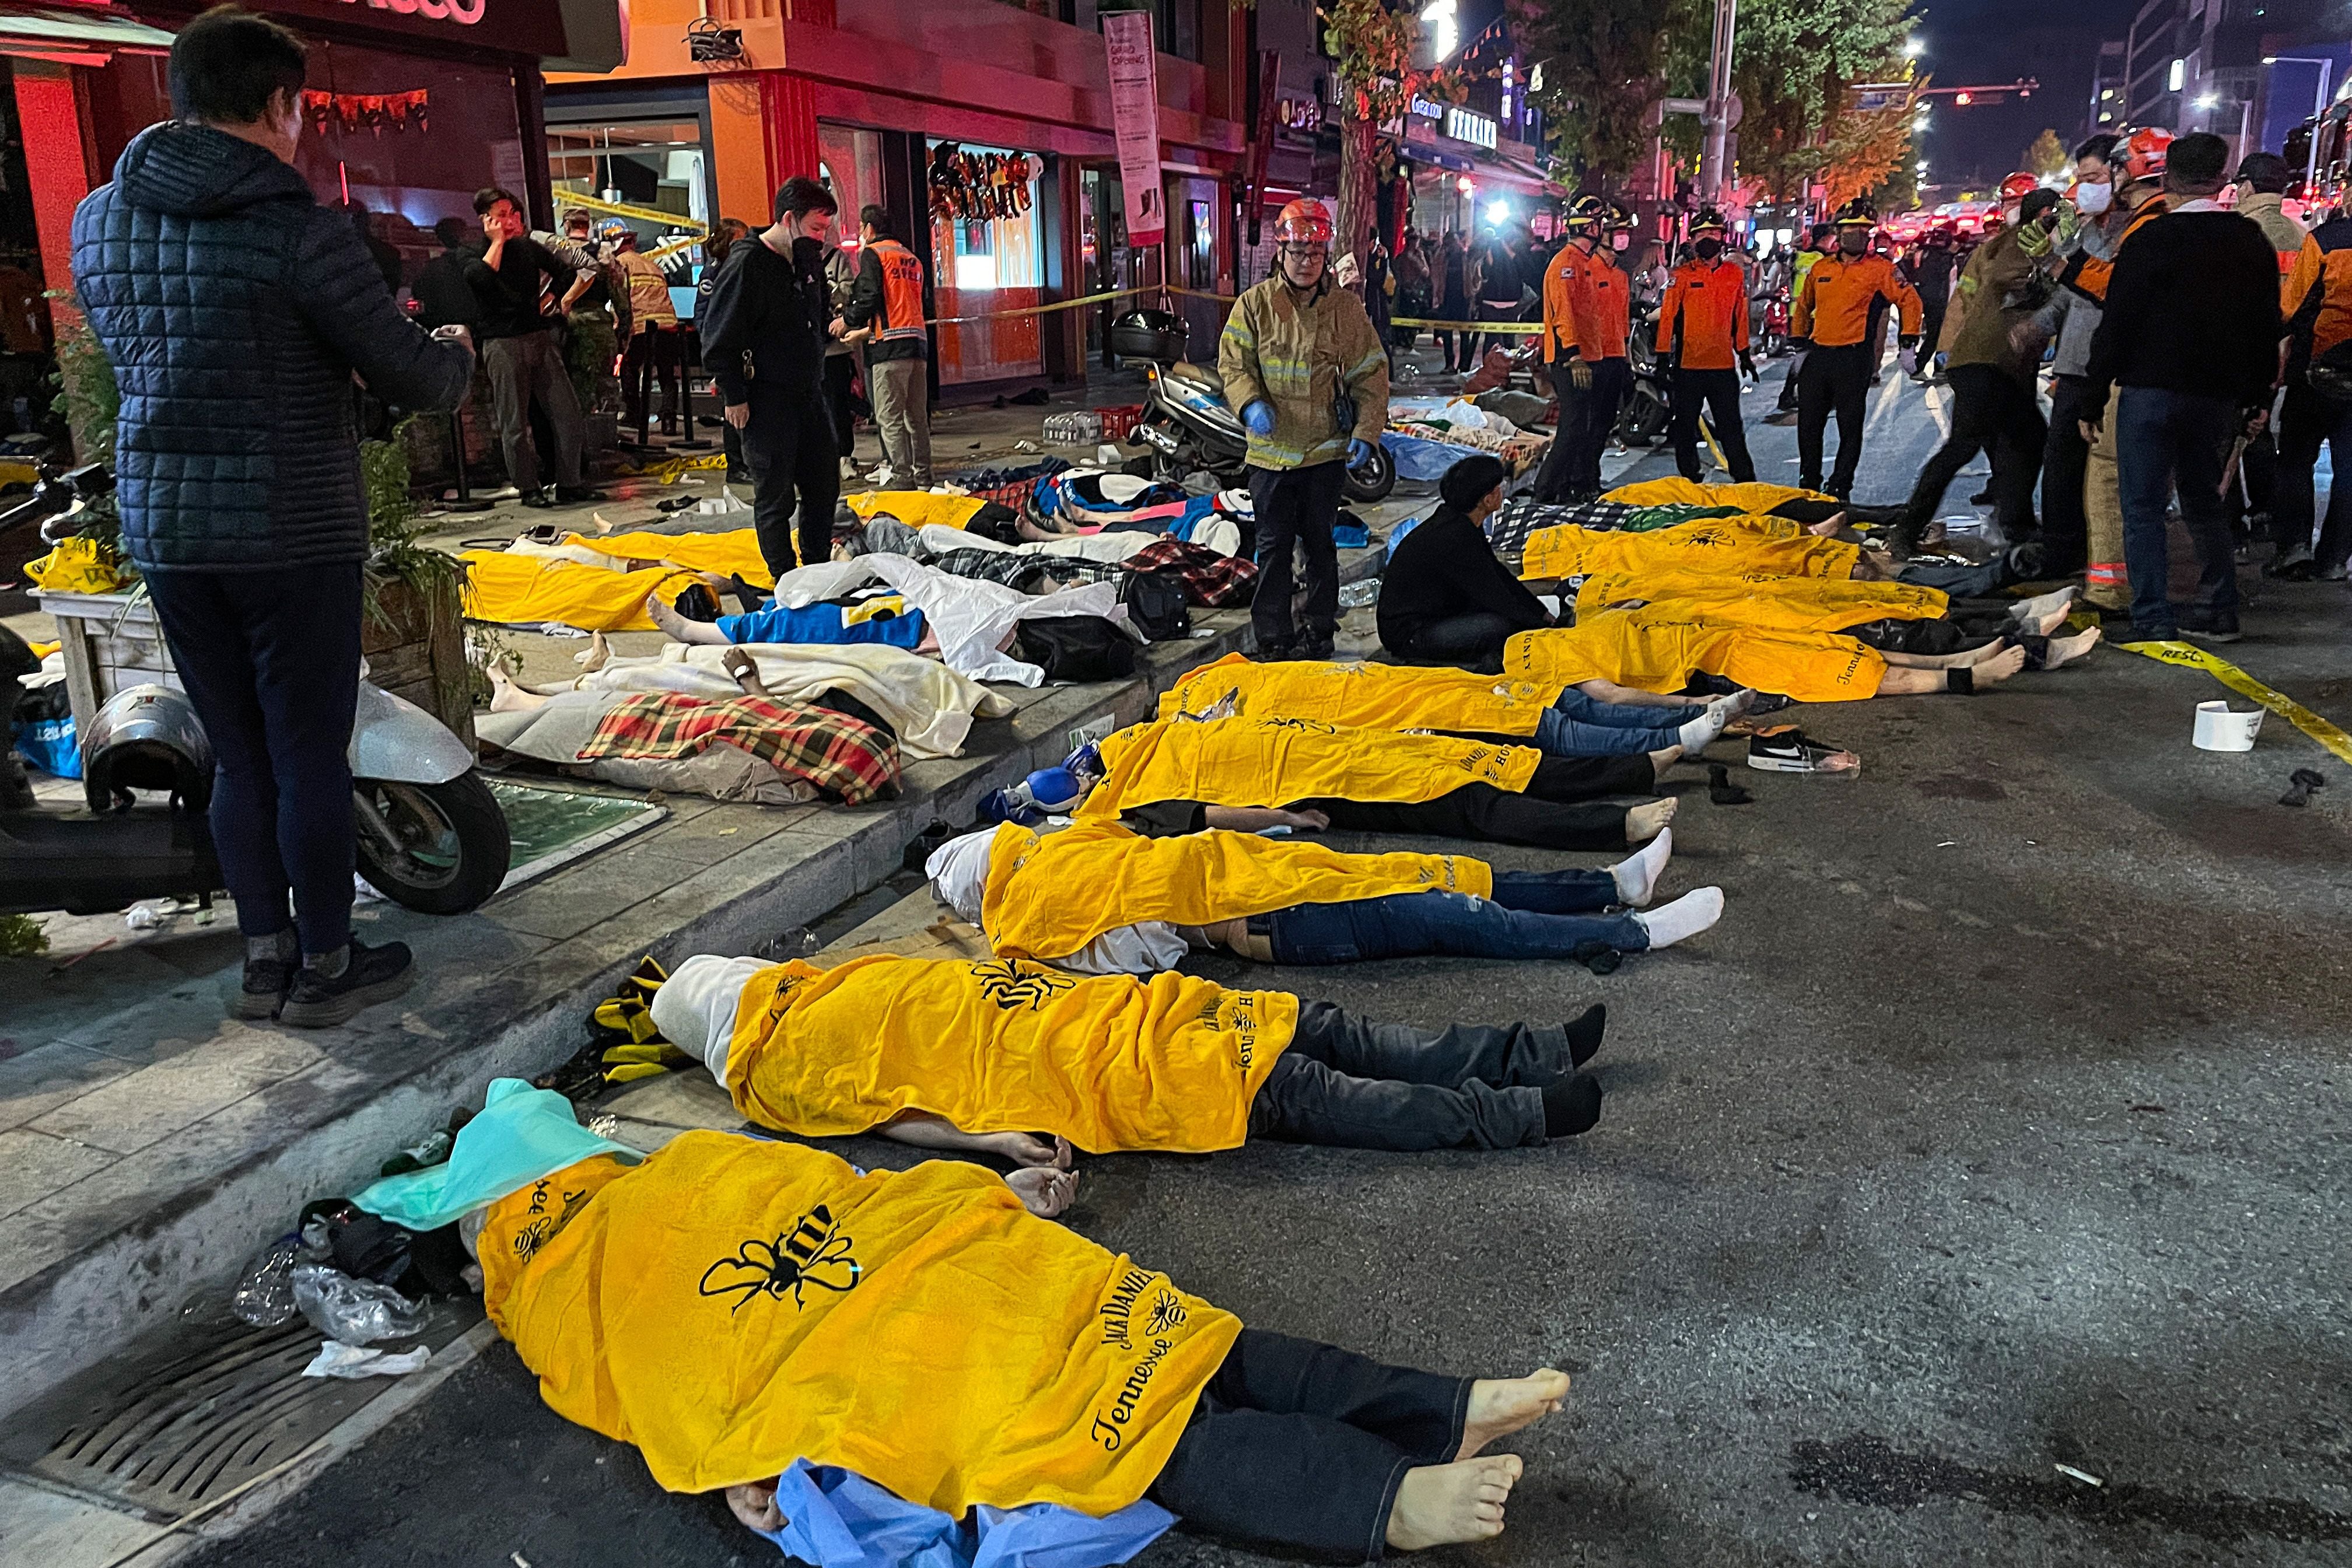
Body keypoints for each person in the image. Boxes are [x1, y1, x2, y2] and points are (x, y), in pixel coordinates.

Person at [405, 1094, 1566, 1558]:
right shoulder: (666, 1178)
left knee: (1131, 1394)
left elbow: (636, 1383)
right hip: (904, 1288)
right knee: (1163, 1355)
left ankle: (1412, 1457)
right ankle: (1413, 1452)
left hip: (885, 1314)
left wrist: (728, 1466)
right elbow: (825, 1187)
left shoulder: (547, 1301)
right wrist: (966, 1197)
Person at [69, 4, 473, 1024]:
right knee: (306, 752)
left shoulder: (96, 219)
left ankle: (265, 960)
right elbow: (418, 380)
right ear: (281, 104)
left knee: (238, 752)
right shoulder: (298, 230)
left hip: (170, 530)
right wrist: (457, 352)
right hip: (290, 528)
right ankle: (330, 965)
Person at [926, 812, 1722, 980]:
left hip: (1283, 882)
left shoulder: (1065, 849)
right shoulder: (1030, 921)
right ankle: (1626, 933)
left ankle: (1611, 885)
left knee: (1444, 874)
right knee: (1460, 915)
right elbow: (1143, 955)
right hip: (1276, 918)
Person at [2081, 131, 2281, 642]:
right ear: (2222, 179)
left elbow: (2118, 323)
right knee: (2202, 500)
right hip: (2214, 398)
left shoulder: (2149, 240)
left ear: (2167, 179)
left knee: (2142, 508)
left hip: (2148, 392)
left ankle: (2152, 617)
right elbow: (2264, 325)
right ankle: (2219, 609)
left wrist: (2092, 392)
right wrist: (2258, 398)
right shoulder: (2248, 241)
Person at [1076, 714, 1678, 852]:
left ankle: (1636, 770)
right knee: (1470, 804)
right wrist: (1289, 820)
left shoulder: (1155, 738)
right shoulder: (1133, 801)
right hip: (1340, 785)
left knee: (1482, 762)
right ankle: (1618, 825)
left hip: (1347, 748)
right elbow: (1210, 817)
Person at [1217, 197, 1390, 660]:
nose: (1307, 262)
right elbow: (1234, 366)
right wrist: (1249, 404)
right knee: (1273, 551)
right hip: (1271, 457)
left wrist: (1366, 433)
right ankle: (1273, 637)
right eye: (1298, 253)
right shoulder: (1254, 306)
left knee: (1321, 548)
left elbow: (1371, 374)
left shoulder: (1346, 311)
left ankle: (1319, 630)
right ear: (1281, 253)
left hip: (1323, 456)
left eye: (1315, 254)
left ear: (1326, 256)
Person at [1161, 649, 1745, 761]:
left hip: (1393, 688)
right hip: (1392, 710)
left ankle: (1686, 716)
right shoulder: (1199, 718)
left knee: (1547, 704)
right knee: (1541, 721)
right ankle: (1673, 736)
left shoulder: (1212, 685)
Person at [1895, 188, 2059, 554]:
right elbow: (2001, 280)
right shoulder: (2023, 244)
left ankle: (2015, 521)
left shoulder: (2003, 244)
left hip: (1993, 363)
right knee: (1965, 445)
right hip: (1987, 361)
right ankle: (1909, 528)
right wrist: (2047, 272)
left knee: (2026, 438)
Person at [702, 176, 844, 579]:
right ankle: (784, 575)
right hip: (765, 398)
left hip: (808, 392)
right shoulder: (748, 263)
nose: (820, 238)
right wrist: (734, 395)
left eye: (825, 230)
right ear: (788, 219)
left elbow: (815, 316)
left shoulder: (808, 261)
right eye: (815, 228)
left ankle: (816, 567)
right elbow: (719, 335)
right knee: (775, 493)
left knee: (823, 485)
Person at [2029, 134, 2126, 578]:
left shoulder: (2134, 231)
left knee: (2098, 475)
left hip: (2107, 368)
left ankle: (2094, 563)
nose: (2086, 187)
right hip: (2073, 364)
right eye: (2081, 178)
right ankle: (2062, 552)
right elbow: (2070, 294)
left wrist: (2054, 262)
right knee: (2062, 466)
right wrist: (2036, 325)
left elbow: (2107, 290)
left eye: (2094, 177)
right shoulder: (2089, 229)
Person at [466, 186, 596, 508]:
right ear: (485, 220)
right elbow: (481, 279)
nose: (509, 222)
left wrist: (558, 299)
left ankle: (569, 482)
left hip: (537, 336)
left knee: (568, 413)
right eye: (501, 217)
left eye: (512, 214)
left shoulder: (528, 248)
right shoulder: (470, 253)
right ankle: (529, 488)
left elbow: (565, 271)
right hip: (502, 343)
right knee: (514, 423)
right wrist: (497, 242)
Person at [1790, 198, 1922, 498]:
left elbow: (1909, 300)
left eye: (1862, 229)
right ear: (1838, 231)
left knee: (1850, 427)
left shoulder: (1881, 271)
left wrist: (1908, 341)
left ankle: (1841, 484)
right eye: (1849, 229)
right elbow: (1803, 307)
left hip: (1854, 357)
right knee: (1809, 424)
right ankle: (1809, 481)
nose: (1856, 234)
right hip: (1819, 354)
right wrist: (1799, 343)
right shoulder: (1821, 268)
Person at [1378, 455, 1554, 670]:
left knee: (1514, 615)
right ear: (1487, 500)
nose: (1503, 491)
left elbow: (1496, 573)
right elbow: (1492, 592)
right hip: (1411, 635)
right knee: (1503, 625)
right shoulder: (1454, 537)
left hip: (1435, 614)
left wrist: (1539, 612)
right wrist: (1541, 626)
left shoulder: (1461, 522)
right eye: (1499, 487)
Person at [2269, 162, 2352, 578]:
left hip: (2318, 370)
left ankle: (2295, 548)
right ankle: (2336, 558)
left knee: (2296, 460)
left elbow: (2291, 305)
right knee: (2350, 469)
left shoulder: (2325, 241)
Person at [1532, 195, 1628, 503]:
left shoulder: (1584, 265)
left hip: (1590, 358)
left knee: (1584, 428)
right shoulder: (1566, 266)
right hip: (1570, 359)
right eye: (1599, 223)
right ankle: (1546, 491)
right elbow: (1564, 315)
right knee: (1572, 428)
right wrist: (1573, 355)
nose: (1602, 229)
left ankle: (1571, 486)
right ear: (1586, 225)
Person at [1656, 207, 1757, 484]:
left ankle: (1745, 478)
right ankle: (1690, 478)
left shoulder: (1733, 275)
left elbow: (1740, 316)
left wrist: (1745, 352)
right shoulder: (1682, 276)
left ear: (1723, 237)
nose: (1708, 238)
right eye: (1702, 234)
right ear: (1692, 240)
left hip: (1723, 366)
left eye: (1713, 233)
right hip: (1689, 367)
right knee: (1685, 428)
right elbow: (1668, 318)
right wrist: (1663, 356)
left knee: (1731, 427)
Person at [844, 204, 932, 490]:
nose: (860, 234)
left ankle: (902, 479)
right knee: (917, 418)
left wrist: (847, 321)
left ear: (869, 228)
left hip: (890, 348)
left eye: (860, 228)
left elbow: (869, 297)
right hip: (918, 346)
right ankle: (923, 476)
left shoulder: (873, 254)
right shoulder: (912, 258)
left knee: (890, 417)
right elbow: (911, 305)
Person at [610, 225, 681, 438]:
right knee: (667, 373)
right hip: (668, 325)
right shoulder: (652, 265)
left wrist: (618, 328)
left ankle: (635, 414)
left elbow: (619, 299)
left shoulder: (619, 265)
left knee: (629, 368)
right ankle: (669, 420)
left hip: (640, 326)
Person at [698, 218, 754, 484]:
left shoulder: (737, 266)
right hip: (727, 352)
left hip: (743, 349)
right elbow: (705, 315)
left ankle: (746, 462)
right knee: (733, 409)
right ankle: (736, 465)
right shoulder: (715, 270)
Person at [1768, 224, 1836, 422]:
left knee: (1804, 355)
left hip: (1795, 313)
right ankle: (1793, 394)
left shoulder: (1798, 257)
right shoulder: (1825, 261)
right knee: (1816, 356)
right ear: (1826, 238)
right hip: (1816, 315)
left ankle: (1791, 394)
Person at [408, 216, 482, 332]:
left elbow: (418, 296)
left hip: (443, 328)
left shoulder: (431, 269)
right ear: (465, 235)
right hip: (477, 328)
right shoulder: (478, 263)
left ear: (440, 240)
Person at [1909, 222, 1957, 383]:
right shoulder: (1937, 256)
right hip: (1937, 300)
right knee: (1938, 335)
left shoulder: (1925, 252)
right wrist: (1950, 255)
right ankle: (1929, 366)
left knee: (1937, 335)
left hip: (1931, 298)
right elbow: (1939, 272)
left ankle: (1930, 366)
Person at [1473, 233, 1521, 361]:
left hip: (1491, 302)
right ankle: (1508, 370)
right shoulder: (1518, 254)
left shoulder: (1490, 249)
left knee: (1492, 340)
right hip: (1511, 302)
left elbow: (1484, 273)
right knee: (1509, 340)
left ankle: (1490, 370)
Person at [1436, 230, 1473, 372]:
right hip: (1447, 300)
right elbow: (1438, 277)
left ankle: (1463, 366)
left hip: (1463, 300)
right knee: (1447, 334)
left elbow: (1472, 277)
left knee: (1465, 334)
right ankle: (1450, 364)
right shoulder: (1444, 258)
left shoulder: (1465, 257)